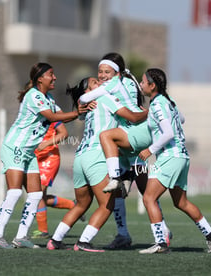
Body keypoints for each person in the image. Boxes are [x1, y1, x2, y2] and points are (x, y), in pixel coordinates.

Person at [81, 53, 172, 249]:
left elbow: (132, 114)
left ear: (118, 72)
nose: (103, 75)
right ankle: (122, 234)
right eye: (101, 72)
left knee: (144, 188)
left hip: (131, 140)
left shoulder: (127, 84)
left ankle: (163, 229)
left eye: (107, 72)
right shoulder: (111, 85)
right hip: (120, 144)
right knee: (119, 191)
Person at [46, 76, 147, 252]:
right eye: (95, 83)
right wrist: (150, 111)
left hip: (80, 157)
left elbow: (80, 108)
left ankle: (55, 240)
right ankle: (83, 242)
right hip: (96, 157)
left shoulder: (86, 106)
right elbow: (133, 117)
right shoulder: (104, 97)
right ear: (88, 91)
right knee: (107, 204)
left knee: (81, 204)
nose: (100, 83)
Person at [0, 62, 80, 249]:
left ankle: (21, 237)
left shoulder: (49, 98)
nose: (54, 78)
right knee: (14, 192)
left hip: (29, 152)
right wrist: (77, 112)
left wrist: (80, 109)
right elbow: (53, 118)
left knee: (36, 194)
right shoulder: (34, 96)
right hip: (15, 147)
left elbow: (63, 121)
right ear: (40, 79)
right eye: (51, 74)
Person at [137, 68, 211, 254]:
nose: (141, 84)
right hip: (182, 156)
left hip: (170, 157)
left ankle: (161, 243)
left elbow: (168, 133)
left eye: (143, 81)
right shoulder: (168, 102)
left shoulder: (158, 104)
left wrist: (149, 150)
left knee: (149, 198)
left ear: (152, 85)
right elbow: (181, 119)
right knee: (181, 202)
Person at [32, 122, 80, 239]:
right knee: (35, 195)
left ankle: (43, 230)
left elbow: (64, 133)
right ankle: (73, 205)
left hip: (49, 157)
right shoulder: (30, 111)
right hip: (34, 157)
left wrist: (46, 143)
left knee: (37, 195)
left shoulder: (51, 111)